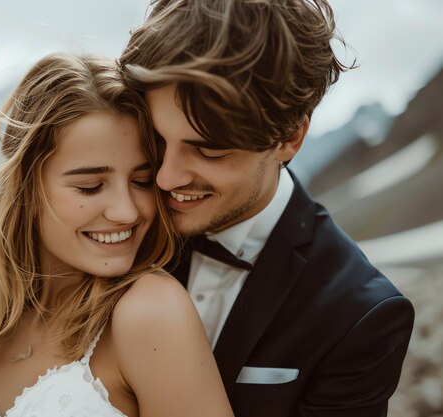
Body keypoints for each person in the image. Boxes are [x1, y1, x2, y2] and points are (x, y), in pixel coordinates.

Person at [118, 0, 414, 416]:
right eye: (157, 139)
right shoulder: (113, 230)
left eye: (208, 151)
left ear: (290, 137)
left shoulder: (360, 315)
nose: (166, 178)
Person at [0, 54, 234, 417]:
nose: (126, 211)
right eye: (90, 186)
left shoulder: (150, 314)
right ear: (26, 189)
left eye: (141, 182)